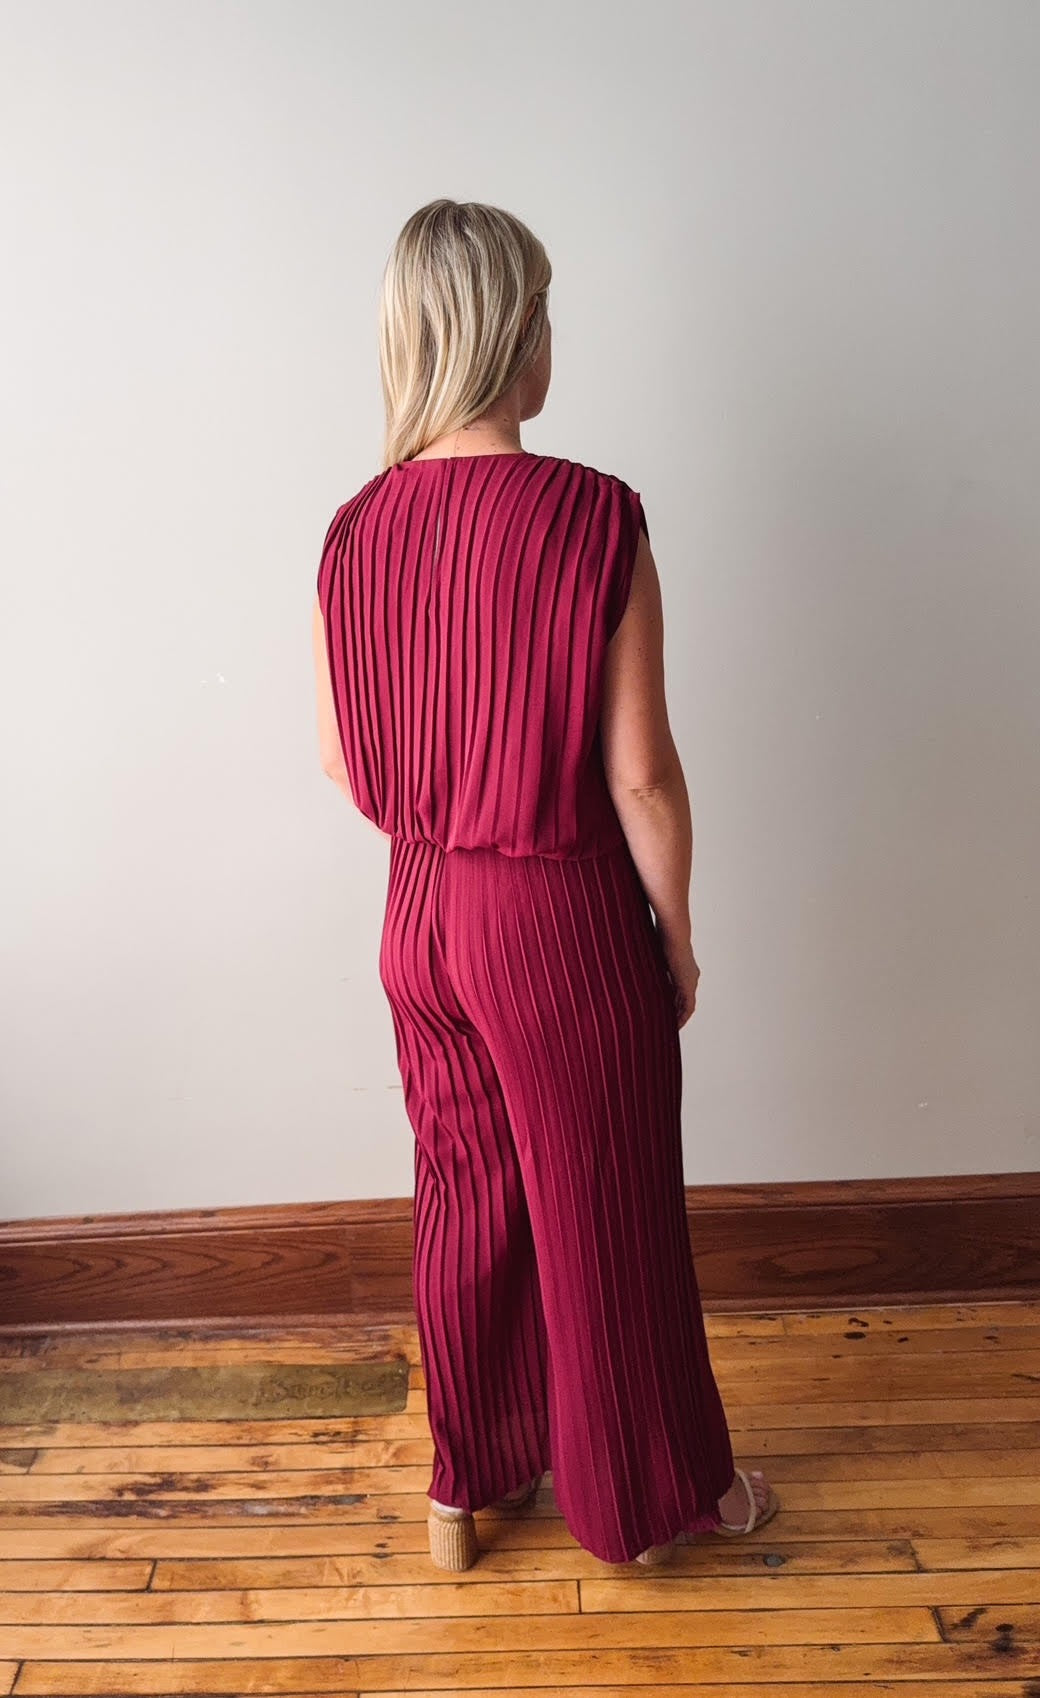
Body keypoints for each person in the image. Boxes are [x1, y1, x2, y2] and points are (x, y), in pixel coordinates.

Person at [312, 198, 779, 1569]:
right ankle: (653, 1501)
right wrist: (674, 938)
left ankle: (467, 1487)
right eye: (546, 312)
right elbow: (642, 777)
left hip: (418, 916)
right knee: (605, 1204)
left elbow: (343, 763)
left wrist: (447, 810)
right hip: (552, 915)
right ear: (518, 338)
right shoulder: (591, 517)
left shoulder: (351, 534)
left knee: (467, 1194)